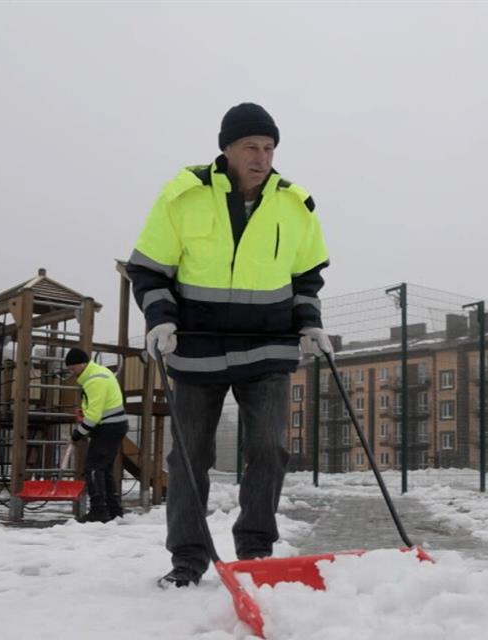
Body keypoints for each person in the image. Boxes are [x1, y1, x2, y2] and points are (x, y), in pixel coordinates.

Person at [126, 102, 331, 588]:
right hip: (197, 349)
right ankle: (188, 559)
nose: (261, 158)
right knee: (189, 456)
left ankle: (257, 551)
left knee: (269, 448)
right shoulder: (183, 197)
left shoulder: (294, 203)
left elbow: (306, 276)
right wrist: (160, 319)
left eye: (268, 147)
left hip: (268, 349)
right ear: (227, 149)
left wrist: (310, 323)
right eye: (250, 147)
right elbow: (149, 269)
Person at [65, 348, 129, 522]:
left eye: (72, 368)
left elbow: (94, 415)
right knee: (104, 470)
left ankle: (98, 511)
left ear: (81, 364)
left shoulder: (94, 380)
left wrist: (77, 434)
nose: (71, 372)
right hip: (113, 426)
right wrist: (84, 412)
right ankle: (114, 511)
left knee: (92, 469)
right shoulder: (100, 373)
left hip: (108, 428)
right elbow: (98, 407)